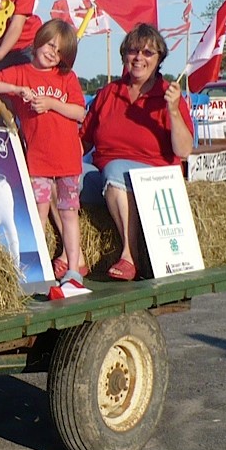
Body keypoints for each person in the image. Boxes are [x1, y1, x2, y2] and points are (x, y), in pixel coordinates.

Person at [0, 20, 87, 293]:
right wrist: (16, 90)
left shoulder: (67, 78)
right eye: (50, 44)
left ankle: (73, 268)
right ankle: (36, 267)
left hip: (68, 159)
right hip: (37, 159)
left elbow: (79, 113)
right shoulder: (21, 73)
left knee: (69, 212)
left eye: (60, 51)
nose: (52, 53)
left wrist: (51, 104)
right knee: (37, 212)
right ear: (40, 40)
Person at [79, 24, 193, 280]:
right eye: (133, 51)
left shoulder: (168, 96)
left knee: (115, 170)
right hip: (107, 175)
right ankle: (72, 255)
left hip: (154, 177)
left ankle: (131, 256)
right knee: (60, 176)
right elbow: (82, 142)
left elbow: (184, 151)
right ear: (124, 56)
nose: (139, 57)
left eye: (147, 52)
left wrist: (173, 111)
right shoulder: (108, 93)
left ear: (159, 59)